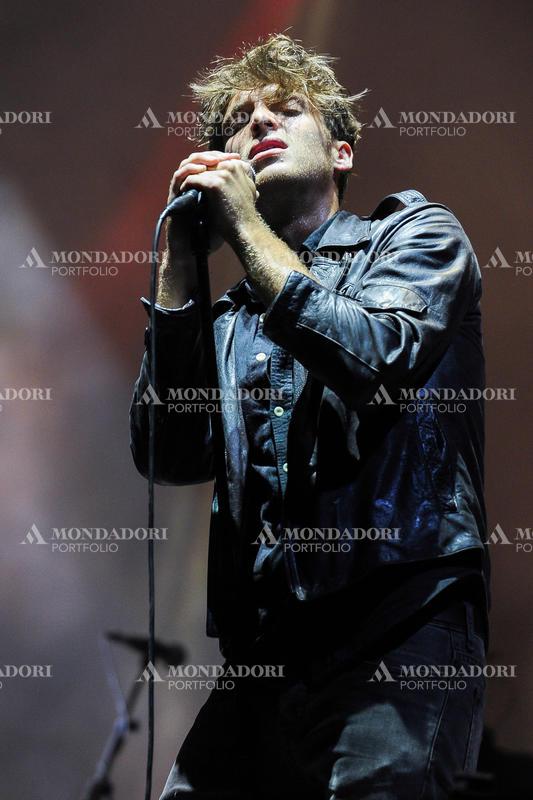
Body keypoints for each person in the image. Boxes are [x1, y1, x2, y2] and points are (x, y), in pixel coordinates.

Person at [130, 33, 489, 800]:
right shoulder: (224, 320)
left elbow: (372, 357)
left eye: (285, 111)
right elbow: (170, 453)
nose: (256, 124)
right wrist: (179, 270)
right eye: (237, 120)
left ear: (342, 155)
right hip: (265, 652)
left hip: (398, 626)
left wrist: (245, 232)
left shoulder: (415, 237)